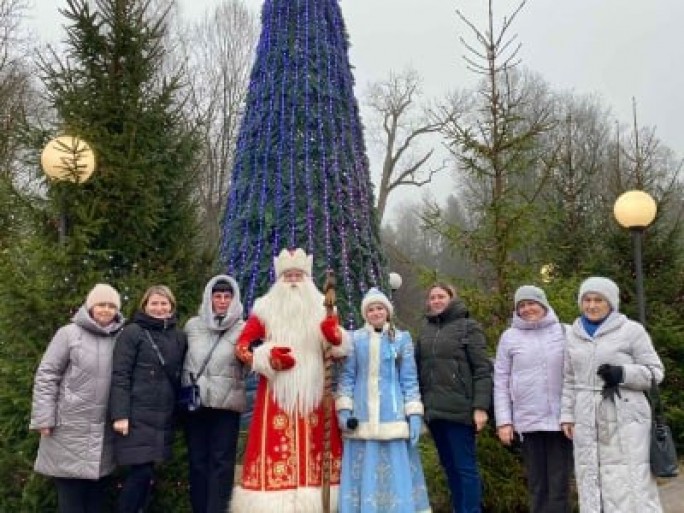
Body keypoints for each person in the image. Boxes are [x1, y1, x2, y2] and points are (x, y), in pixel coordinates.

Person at [231, 248, 350, 513]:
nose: (294, 281)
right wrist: (266, 357)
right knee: (276, 447)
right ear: (279, 280)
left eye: (298, 275)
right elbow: (241, 347)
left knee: (316, 448)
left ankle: (319, 504)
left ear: (307, 279)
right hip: (277, 393)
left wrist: (336, 336)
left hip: (316, 393)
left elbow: (340, 350)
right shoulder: (264, 308)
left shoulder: (325, 308)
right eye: (288, 276)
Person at [560, 277, 664, 512]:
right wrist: (566, 415)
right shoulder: (572, 334)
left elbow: (656, 373)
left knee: (630, 480)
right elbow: (568, 378)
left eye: (599, 300)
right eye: (587, 300)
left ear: (611, 303)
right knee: (590, 475)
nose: (592, 305)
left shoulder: (631, 331)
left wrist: (623, 373)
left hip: (625, 415)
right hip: (585, 415)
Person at [29, 283, 124, 513]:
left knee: (96, 501)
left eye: (111, 306)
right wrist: (44, 418)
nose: (106, 310)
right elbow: (47, 375)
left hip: (103, 434)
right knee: (70, 501)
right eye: (101, 304)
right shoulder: (68, 334)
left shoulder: (121, 338)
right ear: (90, 306)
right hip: (69, 429)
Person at [336, 287, 431, 513]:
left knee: (396, 469)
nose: (376, 312)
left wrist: (414, 414)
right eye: (371, 309)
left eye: (380, 308)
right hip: (362, 416)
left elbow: (409, 379)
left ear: (387, 312)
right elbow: (348, 376)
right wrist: (344, 410)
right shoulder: (354, 339)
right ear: (365, 313)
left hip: (393, 416)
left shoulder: (401, 339)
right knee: (364, 467)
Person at [493, 285, 573, 513]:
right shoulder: (509, 338)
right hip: (528, 422)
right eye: (522, 305)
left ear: (543, 304)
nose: (527, 309)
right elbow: (500, 381)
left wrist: (573, 414)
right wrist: (504, 421)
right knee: (537, 486)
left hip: (561, 422)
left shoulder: (565, 332)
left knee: (559, 487)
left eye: (532, 303)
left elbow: (576, 376)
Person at [415, 282, 492, 513]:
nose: (436, 301)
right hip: (434, 412)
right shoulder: (426, 330)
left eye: (441, 296)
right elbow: (417, 369)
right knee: (449, 467)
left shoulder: (469, 327)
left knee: (465, 468)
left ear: (452, 298)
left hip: (461, 411)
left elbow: (482, 370)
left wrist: (480, 407)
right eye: (433, 297)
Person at [109, 285, 187, 513]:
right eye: (154, 303)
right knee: (140, 472)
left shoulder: (178, 336)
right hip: (136, 415)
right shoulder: (132, 333)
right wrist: (120, 414)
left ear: (171, 307)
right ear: (145, 305)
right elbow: (120, 374)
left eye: (164, 303)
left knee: (147, 475)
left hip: (163, 417)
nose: (159, 308)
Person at [182, 275, 246, 513]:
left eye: (226, 296)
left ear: (234, 299)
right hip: (196, 403)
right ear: (209, 297)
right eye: (217, 296)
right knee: (198, 461)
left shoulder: (244, 328)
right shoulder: (193, 326)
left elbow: (252, 361)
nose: (221, 301)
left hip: (226, 404)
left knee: (222, 463)